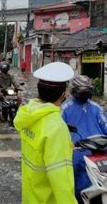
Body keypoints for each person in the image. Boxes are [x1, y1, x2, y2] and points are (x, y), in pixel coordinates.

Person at [14, 62, 77, 204]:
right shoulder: (56, 127)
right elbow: (62, 180)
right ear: (63, 94)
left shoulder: (29, 114)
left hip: (31, 196)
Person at [61, 75, 107, 202]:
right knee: (73, 181)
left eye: (87, 91)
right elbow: (59, 131)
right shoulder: (64, 109)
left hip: (99, 151)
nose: (85, 94)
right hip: (76, 151)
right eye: (82, 91)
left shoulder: (97, 108)